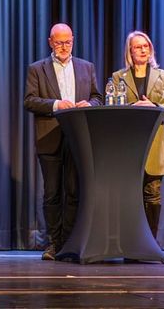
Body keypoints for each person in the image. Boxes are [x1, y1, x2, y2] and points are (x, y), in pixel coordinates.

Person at [23, 23, 102, 260]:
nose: (64, 47)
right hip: (50, 137)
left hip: (78, 138)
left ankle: (70, 242)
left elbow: (97, 97)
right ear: (50, 42)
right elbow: (29, 101)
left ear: (73, 40)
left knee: (74, 191)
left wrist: (88, 104)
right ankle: (54, 243)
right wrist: (57, 105)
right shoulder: (37, 69)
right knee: (52, 193)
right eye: (59, 42)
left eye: (67, 42)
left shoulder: (86, 67)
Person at [106, 31, 164, 240]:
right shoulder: (119, 76)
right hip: (129, 143)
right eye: (138, 47)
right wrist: (132, 106)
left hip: (155, 141)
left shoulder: (163, 76)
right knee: (129, 194)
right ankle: (131, 240)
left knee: (152, 194)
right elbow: (112, 107)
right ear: (130, 51)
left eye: (146, 46)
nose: (143, 50)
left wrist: (151, 105)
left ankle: (150, 242)